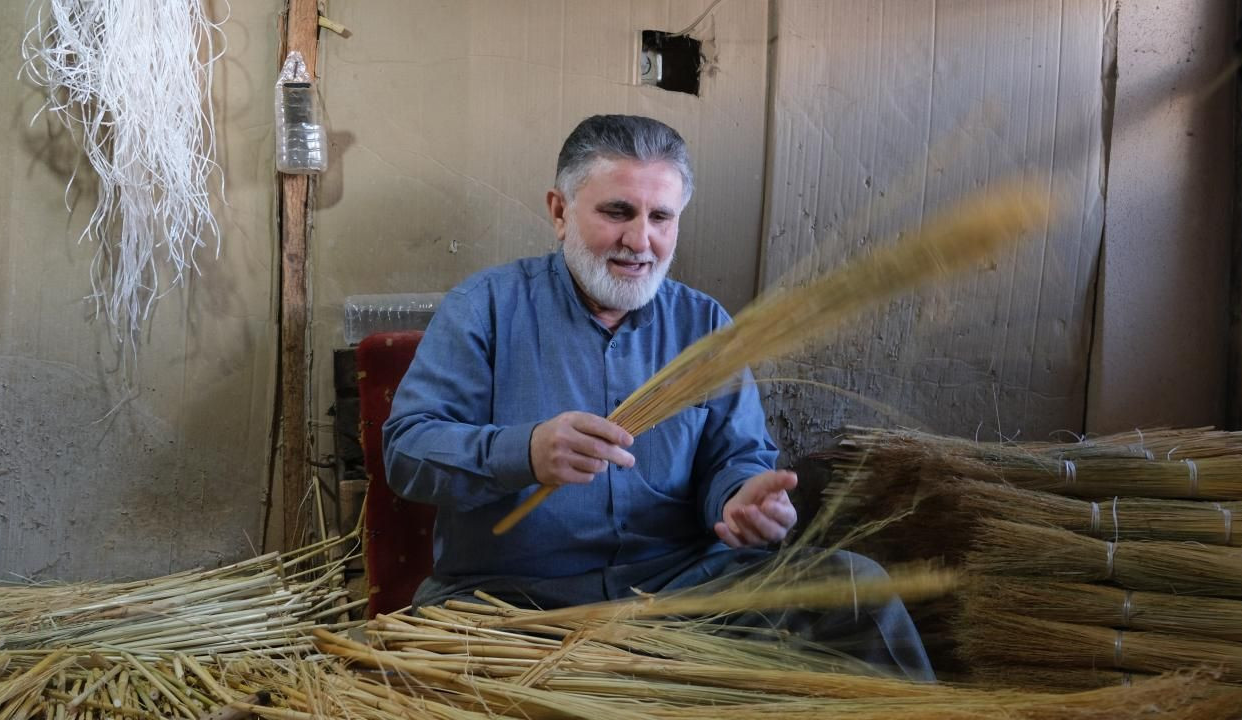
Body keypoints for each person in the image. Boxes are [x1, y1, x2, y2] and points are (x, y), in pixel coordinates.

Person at [382, 114, 934, 681]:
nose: (640, 240)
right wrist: (524, 452)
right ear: (558, 211)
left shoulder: (703, 324)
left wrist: (741, 499)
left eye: (661, 217)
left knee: (852, 588)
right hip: (515, 603)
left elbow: (736, 456)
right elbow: (407, 453)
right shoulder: (484, 309)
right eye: (617, 211)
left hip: (688, 591)